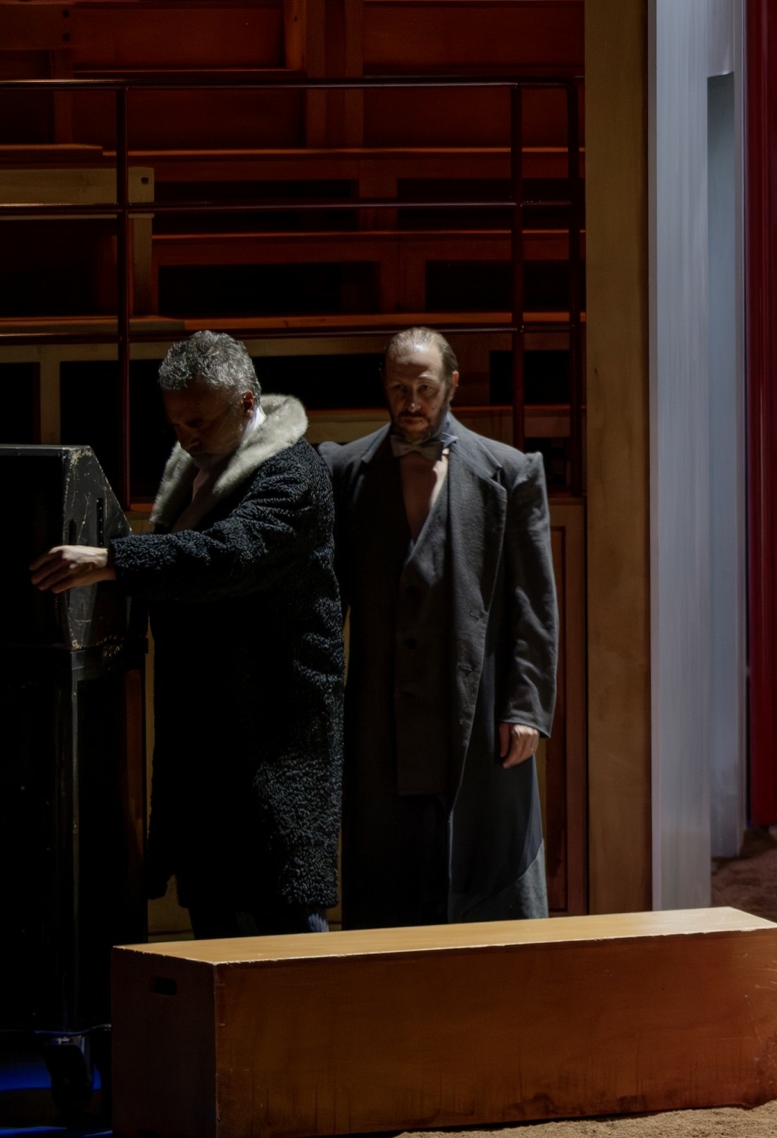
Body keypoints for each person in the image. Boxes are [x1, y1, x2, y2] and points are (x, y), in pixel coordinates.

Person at [27, 330, 341, 938]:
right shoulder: (199, 470)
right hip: (209, 743)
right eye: (175, 423)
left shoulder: (294, 472)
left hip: (272, 737)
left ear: (247, 403)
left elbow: (231, 554)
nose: (186, 436)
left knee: (281, 924)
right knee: (214, 928)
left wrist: (113, 560)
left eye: (199, 421)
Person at [322, 327, 557, 927]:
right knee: (388, 881)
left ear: (452, 384)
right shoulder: (344, 470)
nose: (411, 403)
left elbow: (534, 603)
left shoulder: (510, 472)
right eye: (399, 388)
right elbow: (326, 603)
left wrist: (526, 708)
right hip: (381, 716)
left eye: (425, 388)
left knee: (485, 876)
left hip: (477, 713)